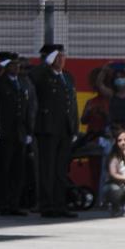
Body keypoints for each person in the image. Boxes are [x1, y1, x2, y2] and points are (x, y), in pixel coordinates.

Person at [26, 43, 79, 218]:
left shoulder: (68, 77)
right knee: (47, 169)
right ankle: (47, 205)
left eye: (63, 56)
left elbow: (72, 105)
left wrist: (74, 128)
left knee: (60, 170)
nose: (62, 60)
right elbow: (33, 77)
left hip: (64, 129)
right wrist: (44, 65)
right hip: (47, 128)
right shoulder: (42, 75)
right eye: (57, 57)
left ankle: (60, 204)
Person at [0, 52, 38, 217]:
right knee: (4, 170)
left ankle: (14, 203)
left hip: (20, 133)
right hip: (5, 132)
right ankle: (3, 204)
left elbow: (27, 109)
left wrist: (29, 131)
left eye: (18, 65)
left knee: (18, 171)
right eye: (13, 65)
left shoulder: (23, 83)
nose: (17, 68)